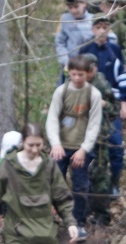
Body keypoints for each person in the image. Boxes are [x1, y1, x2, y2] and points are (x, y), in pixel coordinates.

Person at [46, 54, 104, 233]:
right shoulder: (61, 92)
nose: (77, 78)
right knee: (54, 184)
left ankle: (78, 222)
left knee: (80, 186)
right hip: (61, 147)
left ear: (88, 74)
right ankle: (53, 219)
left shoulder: (93, 94)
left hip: (81, 148)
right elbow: (52, 119)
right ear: (68, 73)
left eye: (80, 74)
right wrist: (55, 143)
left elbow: (94, 124)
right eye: (73, 74)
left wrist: (84, 149)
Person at [80, 13, 126, 196]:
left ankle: (113, 184)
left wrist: (123, 102)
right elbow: (72, 77)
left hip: (110, 108)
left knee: (116, 148)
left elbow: (122, 77)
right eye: (98, 27)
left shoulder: (115, 50)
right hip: (87, 110)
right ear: (93, 29)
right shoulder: (84, 50)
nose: (102, 31)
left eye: (105, 27)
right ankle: (88, 187)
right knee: (88, 150)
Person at [81, 53, 120, 227]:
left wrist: (105, 105)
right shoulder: (74, 84)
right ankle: (84, 211)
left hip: (100, 138)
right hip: (79, 138)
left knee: (101, 176)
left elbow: (114, 110)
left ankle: (102, 215)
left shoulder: (102, 84)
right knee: (81, 175)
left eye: (91, 69)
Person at [55, 0, 117, 83]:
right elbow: (59, 42)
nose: (73, 10)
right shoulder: (64, 19)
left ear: (84, 3)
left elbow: (112, 38)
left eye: (76, 7)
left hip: (89, 66)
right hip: (70, 64)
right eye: (70, 7)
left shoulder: (94, 19)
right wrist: (66, 61)